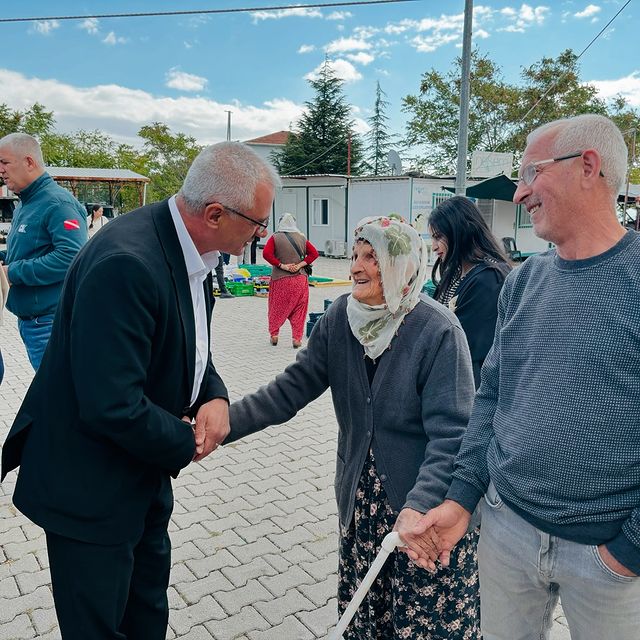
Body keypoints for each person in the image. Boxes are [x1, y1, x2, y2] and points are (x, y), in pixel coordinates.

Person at [1, 141, 279, 640]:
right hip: (91, 490)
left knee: (147, 614)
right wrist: (188, 440)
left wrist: (212, 393)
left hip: (139, 472)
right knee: (100, 627)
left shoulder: (193, 248)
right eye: (258, 223)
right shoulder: (127, 262)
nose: (263, 233)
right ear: (215, 213)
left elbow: (191, 340)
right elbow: (111, 403)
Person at [416, 114, 640, 640]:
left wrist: (630, 549)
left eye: (530, 174)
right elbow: (491, 396)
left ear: (589, 166)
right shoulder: (523, 282)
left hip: (608, 558)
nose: (519, 194)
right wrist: (461, 499)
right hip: (506, 531)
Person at [225, 216, 480, 639]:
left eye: (372, 258)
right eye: (356, 256)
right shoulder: (342, 318)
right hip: (363, 507)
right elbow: (289, 390)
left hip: (424, 513)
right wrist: (222, 425)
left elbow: (453, 435)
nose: (356, 267)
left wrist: (418, 506)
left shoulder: (437, 330)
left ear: (402, 264)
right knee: (366, 622)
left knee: (424, 626)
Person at [0, 133, 87, 370]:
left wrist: (11, 272)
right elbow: (26, 252)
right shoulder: (26, 204)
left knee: (58, 397)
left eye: (5, 162)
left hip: (48, 324)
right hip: (32, 322)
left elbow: (71, 257)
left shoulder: (58, 204)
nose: (1, 170)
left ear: (29, 162)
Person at [429, 196, 511, 387]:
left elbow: (462, 347)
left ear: (460, 231)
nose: (433, 247)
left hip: (472, 390)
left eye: (438, 237)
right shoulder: (461, 272)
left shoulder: (489, 279)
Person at [262, 213, 318, 348]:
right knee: (299, 309)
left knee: (276, 307)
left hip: (280, 279)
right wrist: (299, 265)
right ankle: (297, 339)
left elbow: (266, 254)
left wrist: (282, 265)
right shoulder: (301, 237)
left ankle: (274, 335)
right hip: (300, 279)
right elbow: (314, 253)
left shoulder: (275, 237)